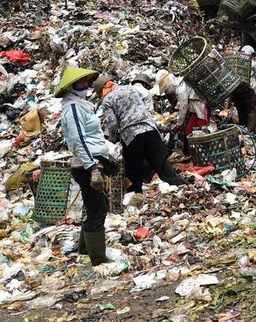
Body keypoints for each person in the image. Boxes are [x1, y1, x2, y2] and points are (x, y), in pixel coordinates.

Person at [56, 66, 121, 266]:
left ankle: (85, 251)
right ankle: (98, 260)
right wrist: (93, 169)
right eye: (80, 82)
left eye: (86, 82)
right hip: (87, 164)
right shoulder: (72, 109)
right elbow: (78, 140)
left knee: (94, 206)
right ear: (70, 87)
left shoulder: (81, 105)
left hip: (92, 161)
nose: (84, 85)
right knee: (97, 210)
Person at [101, 74, 185, 192]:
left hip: (131, 134)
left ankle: (136, 192)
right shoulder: (130, 89)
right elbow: (144, 100)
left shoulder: (107, 100)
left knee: (133, 165)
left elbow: (112, 124)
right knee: (159, 160)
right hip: (149, 127)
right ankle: (177, 185)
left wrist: (113, 141)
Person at [229, 45, 256, 131]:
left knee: (241, 110)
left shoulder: (235, 63)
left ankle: (243, 130)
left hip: (236, 90)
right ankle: (250, 132)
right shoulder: (252, 63)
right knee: (251, 111)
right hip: (250, 90)